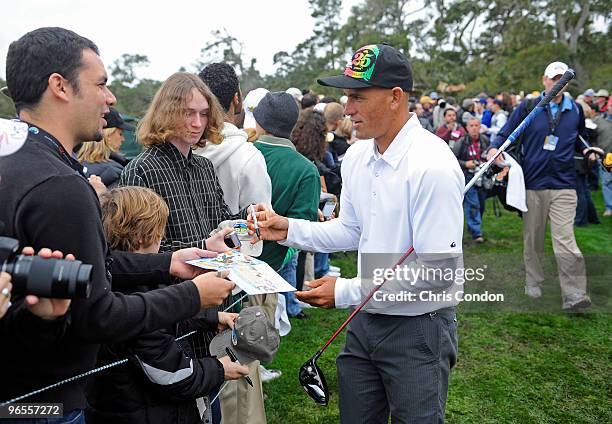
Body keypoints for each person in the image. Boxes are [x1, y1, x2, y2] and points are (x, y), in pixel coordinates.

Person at [0, 27, 235, 421]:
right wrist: (193, 295)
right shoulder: (60, 186)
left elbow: (79, 273)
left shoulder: (19, 161)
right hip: (49, 400)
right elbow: (98, 313)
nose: (110, 100)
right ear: (60, 86)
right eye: (101, 84)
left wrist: (168, 263)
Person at [252, 44, 463, 423]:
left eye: (358, 97)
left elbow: (438, 274)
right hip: (366, 319)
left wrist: (347, 291)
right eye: (347, 96)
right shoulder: (358, 156)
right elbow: (351, 229)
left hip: (419, 327)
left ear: (396, 97)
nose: (347, 108)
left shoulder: (433, 166)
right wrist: (289, 228)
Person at [86, 186, 248, 424]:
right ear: (143, 236)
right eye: (160, 231)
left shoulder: (117, 277)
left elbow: (165, 311)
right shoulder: (134, 297)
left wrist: (210, 318)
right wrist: (220, 369)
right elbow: (173, 376)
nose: (162, 239)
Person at [195, 62, 274, 424]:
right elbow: (258, 230)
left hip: (194, 278)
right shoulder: (247, 157)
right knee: (238, 378)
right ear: (236, 100)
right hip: (237, 279)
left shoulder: (187, 151)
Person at [488, 61, 593, 311]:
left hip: (564, 185)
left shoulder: (575, 110)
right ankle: (533, 280)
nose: (558, 83)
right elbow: (503, 134)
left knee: (565, 239)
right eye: (554, 78)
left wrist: (588, 151)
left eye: (563, 79)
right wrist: (493, 149)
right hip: (532, 183)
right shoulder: (527, 107)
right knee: (533, 238)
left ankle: (574, 293)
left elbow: (580, 139)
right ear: (544, 80)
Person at [252, 92, 321, 320]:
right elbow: (303, 231)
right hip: (268, 272)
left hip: (223, 263)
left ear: (258, 121)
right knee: (255, 345)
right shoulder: (306, 170)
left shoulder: (241, 155)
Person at [452, 117, 489, 242]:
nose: (474, 128)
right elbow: (453, 160)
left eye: (476, 125)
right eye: (471, 125)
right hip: (467, 176)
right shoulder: (461, 142)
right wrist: (465, 164)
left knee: (481, 204)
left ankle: (473, 225)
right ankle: (476, 233)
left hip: (482, 176)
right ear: (467, 128)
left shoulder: (485, 140)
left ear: (480, 127)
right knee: (473, 203)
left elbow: (491, 156)